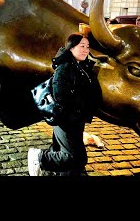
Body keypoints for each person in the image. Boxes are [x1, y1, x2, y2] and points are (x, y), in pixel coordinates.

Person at [27, 32, 98, 176]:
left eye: (88, 47)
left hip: (76, 119)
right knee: (73, 157)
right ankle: (40, 158)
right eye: (82, 46)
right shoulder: (65, 67)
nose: (85, 50)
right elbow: (60, 96)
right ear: (71, 48)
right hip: (66, 120)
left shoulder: (81, 67)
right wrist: (79, 108)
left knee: (74, 157)